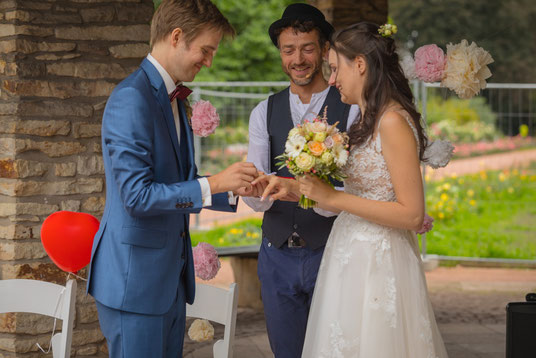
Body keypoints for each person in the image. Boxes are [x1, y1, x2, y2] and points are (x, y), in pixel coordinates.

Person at [86, 1, 259, 357]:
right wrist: (215, 183)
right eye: (206, 50)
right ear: (177, 37)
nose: (209, 61)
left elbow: (177, 181)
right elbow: (137, 196)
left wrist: (232, 187)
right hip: (134, 284)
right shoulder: (131, 98)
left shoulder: (174, 98)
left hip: (168, 282)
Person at [294, 22, 449, 357]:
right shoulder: (366, 119)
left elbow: (412, 213)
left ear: (360, 64)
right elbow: (360, 192)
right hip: (349, 256)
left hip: (380, 264)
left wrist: (335, 197)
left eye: (335, 68)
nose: (331, 79)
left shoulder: (392, 121)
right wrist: (297, 188)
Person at [241, 4, 361, 358]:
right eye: (288, 49)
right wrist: (253, 190)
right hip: (276, 255)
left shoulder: (351, 109)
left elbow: (357, 188)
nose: (298, 58)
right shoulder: (264, 111)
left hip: (333, 249)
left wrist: (301, 192)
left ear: (325, 50)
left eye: (308, 47)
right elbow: (257, 190)